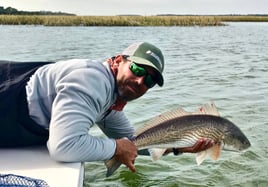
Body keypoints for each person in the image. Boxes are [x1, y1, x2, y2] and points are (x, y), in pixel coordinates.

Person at [0, 42, 214, 173]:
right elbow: (63, 148)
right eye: (138, 69)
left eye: (150, 81)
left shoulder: (110, 99)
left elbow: (134, 143)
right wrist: (116, 148)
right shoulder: (93, 81)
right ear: (119, 60)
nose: (141, 81)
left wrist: (179, 148)